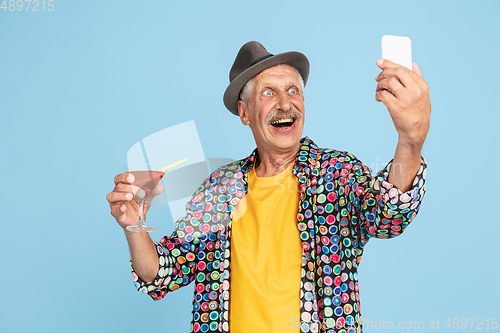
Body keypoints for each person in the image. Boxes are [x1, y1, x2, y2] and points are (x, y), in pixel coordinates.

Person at [106, 41, 430, 333]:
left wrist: (410, 140)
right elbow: (161, 273)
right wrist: (133, 225)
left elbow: (390, 214)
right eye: (268, 93)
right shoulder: (219, 188)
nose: (285, 103)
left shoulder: (337, 174)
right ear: (245, 112)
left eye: (293, 90)